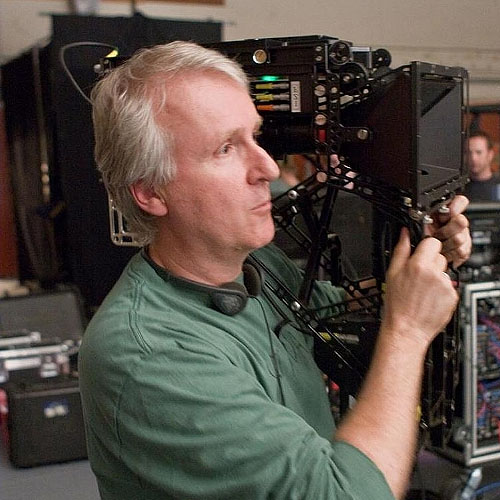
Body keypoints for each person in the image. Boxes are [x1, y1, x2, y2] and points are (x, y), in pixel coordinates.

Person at [79, 40, 471, 500]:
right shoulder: (147, 356)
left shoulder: (256, 266)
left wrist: (419, 263)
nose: (267, 166)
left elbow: (334, 309)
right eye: (226, 148)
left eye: (256, 137)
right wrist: (406, 330)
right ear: (150, 192)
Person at [465, 130, 500, 202]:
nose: (473, 158)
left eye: (479, 152)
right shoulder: (459, 188)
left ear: (490, 154)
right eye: (468, 152)